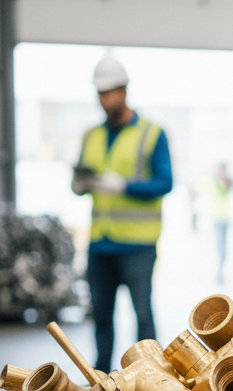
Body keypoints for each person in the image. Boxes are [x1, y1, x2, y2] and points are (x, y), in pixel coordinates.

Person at [72, 56, 172, 372]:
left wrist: (124, 186)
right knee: (101, 318)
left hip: (137, 246)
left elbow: (165, 182)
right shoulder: (91, 135)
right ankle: (101, 380)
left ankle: (154, 377)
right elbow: (81, 179)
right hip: (100, 244)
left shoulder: (152, 134)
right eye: (101, 93)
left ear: (124, 90)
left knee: (142, 317)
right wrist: (80, 184)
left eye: (111, 92)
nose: (106, 100)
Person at [210, 163, 233, 281]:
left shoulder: (228, 183)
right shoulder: (214, 183)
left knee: (223, 248)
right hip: (216, 219)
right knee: (219, 247)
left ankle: (220, 272)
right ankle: (217, 273)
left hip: (225, 218)